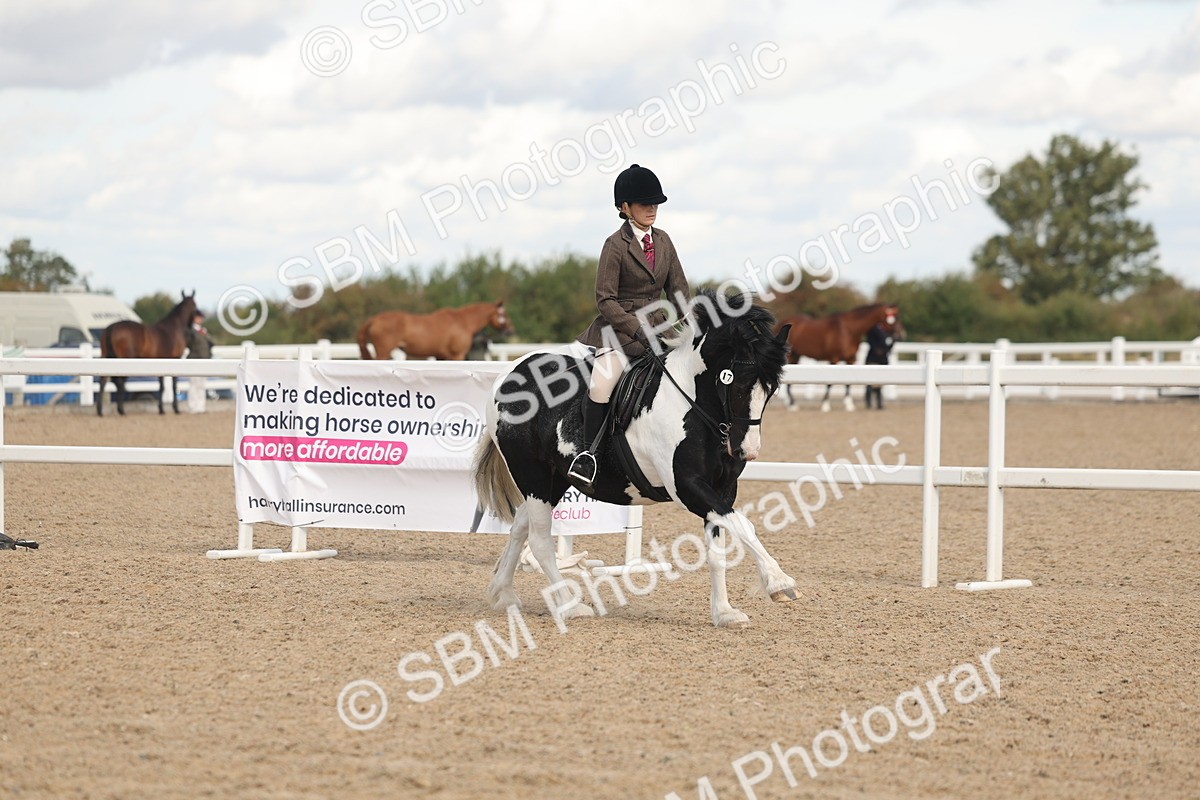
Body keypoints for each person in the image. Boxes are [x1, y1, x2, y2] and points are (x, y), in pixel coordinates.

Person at [567, 164, 691, 484]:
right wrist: (636, 329)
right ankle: (587, 456)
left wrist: (693, 322)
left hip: (660, 331)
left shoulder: (663, 241)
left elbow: (678, 290)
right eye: (643, 204)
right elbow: (605, 299)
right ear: (625, 208)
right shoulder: (615, 245)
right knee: (601, 384)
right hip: (620, 333)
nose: (651, 209)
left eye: (654, 203)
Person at [184, 310, 214, 413]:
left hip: (204, 360)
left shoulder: (203, 331)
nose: (199, 320)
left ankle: (201, 406)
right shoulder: (190, 331)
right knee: (193, 384)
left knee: (201, 384)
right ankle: (192, 406)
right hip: (194, 359)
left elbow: (211, 343)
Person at [864, 322, 896, 410]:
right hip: (873, 359)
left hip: (882, 360)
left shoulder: (887, 331)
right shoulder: (873, 329)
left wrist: (893, 341)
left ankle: (878, 403)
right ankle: (868, 403)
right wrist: (877, 350)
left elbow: (888, 346)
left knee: (879, 384)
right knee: (870, 383)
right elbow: (870, 341)